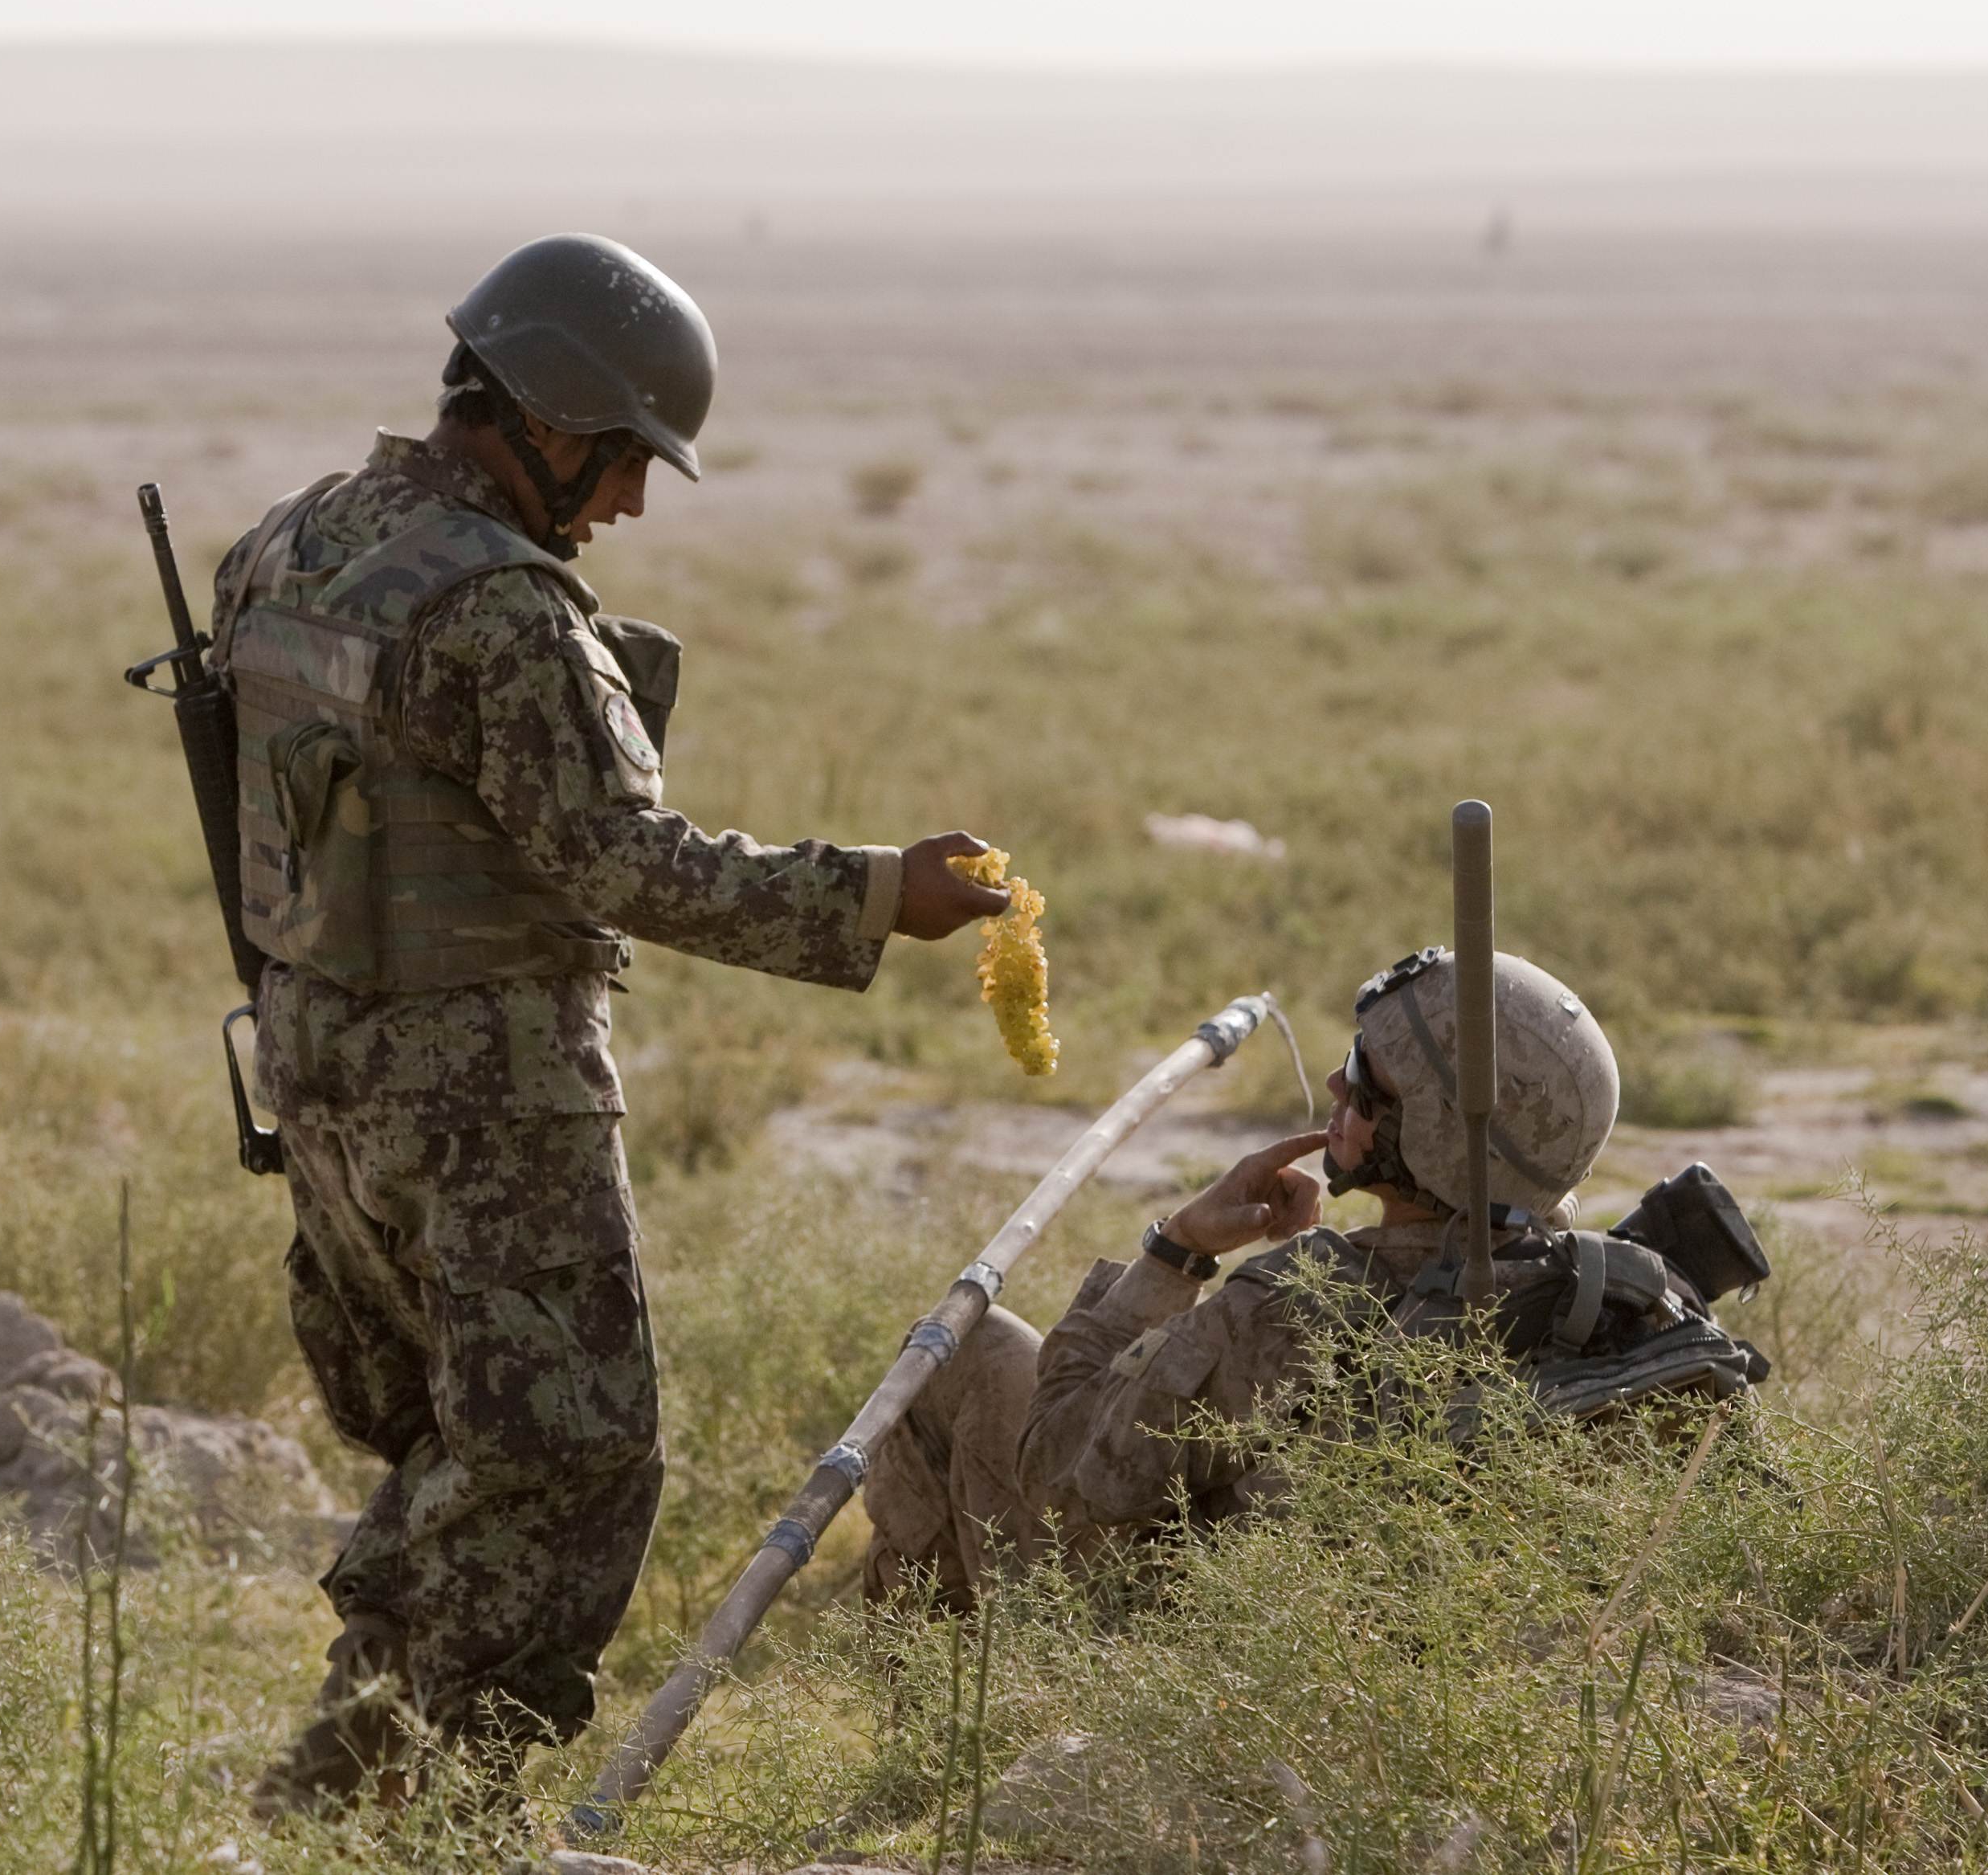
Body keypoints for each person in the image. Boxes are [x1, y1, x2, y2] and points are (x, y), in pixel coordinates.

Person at [212, 233, 1010, 1816]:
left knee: (464, 1444)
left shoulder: (289, 542)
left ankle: (363, 1784)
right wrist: (874, 895)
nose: (632, 503)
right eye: (627, 458)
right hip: (487, 1104)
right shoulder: (502, 608)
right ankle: (433, 1803)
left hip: (320, 1073)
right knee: (572, 1455)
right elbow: (617, 861)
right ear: (550, 416)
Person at [860, 946, 1765, 1596]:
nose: (1335, 1087)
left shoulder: (1294, 1304)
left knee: (968, 1348)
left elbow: (1058, 1469)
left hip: (1199, 1659)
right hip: (1412, 1646)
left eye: (1363, 1078)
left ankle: (936, 1746)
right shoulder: (1615, 1293)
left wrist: (1178, 1249)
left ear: (1429, 1135)